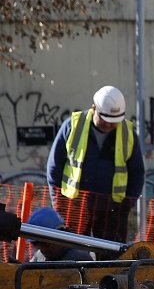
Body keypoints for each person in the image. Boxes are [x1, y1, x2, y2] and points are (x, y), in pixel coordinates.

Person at [46, 85, 145, 244]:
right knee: (72, 253)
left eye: (113, 121)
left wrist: (126, 205)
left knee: (111, 257)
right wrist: (59, 203)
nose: (108, 125)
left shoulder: (128, 133)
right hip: (75, 205)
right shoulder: (73, 126)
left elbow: (137, 173)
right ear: (94, 108)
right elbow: (54, 167)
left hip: (113, 209)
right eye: (105, 119)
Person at [25, 207, 95, 262]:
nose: (42, 249)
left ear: (58, 237)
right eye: (35, 244)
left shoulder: (79, 259)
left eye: (44, 244)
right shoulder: (39, 257)